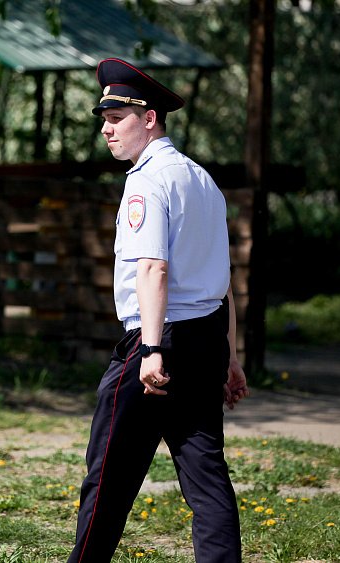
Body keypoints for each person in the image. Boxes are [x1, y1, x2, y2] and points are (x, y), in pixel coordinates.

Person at [68, 58, 250, 563]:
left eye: (117, 118)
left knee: (107, 476)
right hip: (206, 339)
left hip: (157, 344)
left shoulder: (146, 181)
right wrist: (229, 356)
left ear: (149, 118)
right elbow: (222, 282)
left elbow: (153, 269)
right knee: (207, 480)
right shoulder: (202, 180)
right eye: (103, 119)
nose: (106, 129)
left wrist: (149, 349)